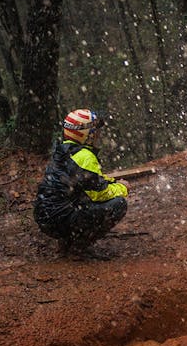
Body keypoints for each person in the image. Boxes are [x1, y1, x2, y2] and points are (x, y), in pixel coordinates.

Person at [34, 109, 129, 256]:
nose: (97, 135)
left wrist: (112, 182)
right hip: (61, 218)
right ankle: (79, 246)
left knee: (77, 200)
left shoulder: (62, 151)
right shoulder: (85, 156)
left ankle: (66, 242)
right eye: (95, 132)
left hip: (44, 218)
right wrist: (122, 188)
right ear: (86, 134)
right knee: (119, 204)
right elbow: (99, 193)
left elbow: (89, 182)